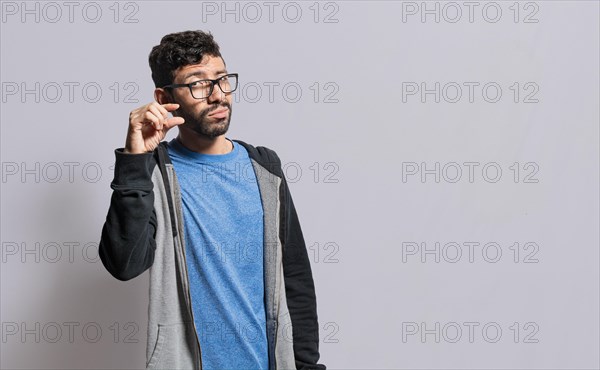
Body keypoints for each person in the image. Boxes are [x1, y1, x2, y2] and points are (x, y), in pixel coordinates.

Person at [98, 30, 325, 370]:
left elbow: (295, 279)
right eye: (198, 84)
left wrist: (308, 366)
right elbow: (124, 264)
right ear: (164, 98)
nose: (217, 95)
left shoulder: (265, 169)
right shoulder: (155, 173)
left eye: (222, 79)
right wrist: (134, 161)